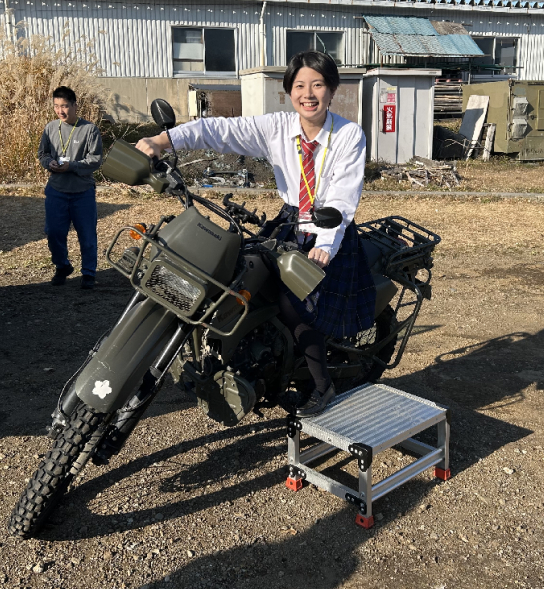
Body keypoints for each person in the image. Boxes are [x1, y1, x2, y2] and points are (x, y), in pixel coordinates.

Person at [134, 51, 375, 417]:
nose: (308, 94)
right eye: (300, 86)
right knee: (241, 275)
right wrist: (163, 140)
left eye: (318, 85)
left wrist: (325, 245)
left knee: (294, 303)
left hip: (329, 227)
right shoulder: (277, 127)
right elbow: (219, 131)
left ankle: (322, 386)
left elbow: (342, 196)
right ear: (289, 91)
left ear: (332, 89)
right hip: (289, 220)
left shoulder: (348, 134)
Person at [37, 85, 103, 290]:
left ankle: (89, 273)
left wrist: (72, 166)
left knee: (87, 235)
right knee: (54, 232)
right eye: (56, 106)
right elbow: (42, 154)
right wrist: (49, 163)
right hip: (56, 190)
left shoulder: (89, 129)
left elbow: (96, 160)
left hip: (82, 192)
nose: (60, 111)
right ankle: (62, 266)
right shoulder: (50, 128)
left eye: (64, 106)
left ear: (75, 105)